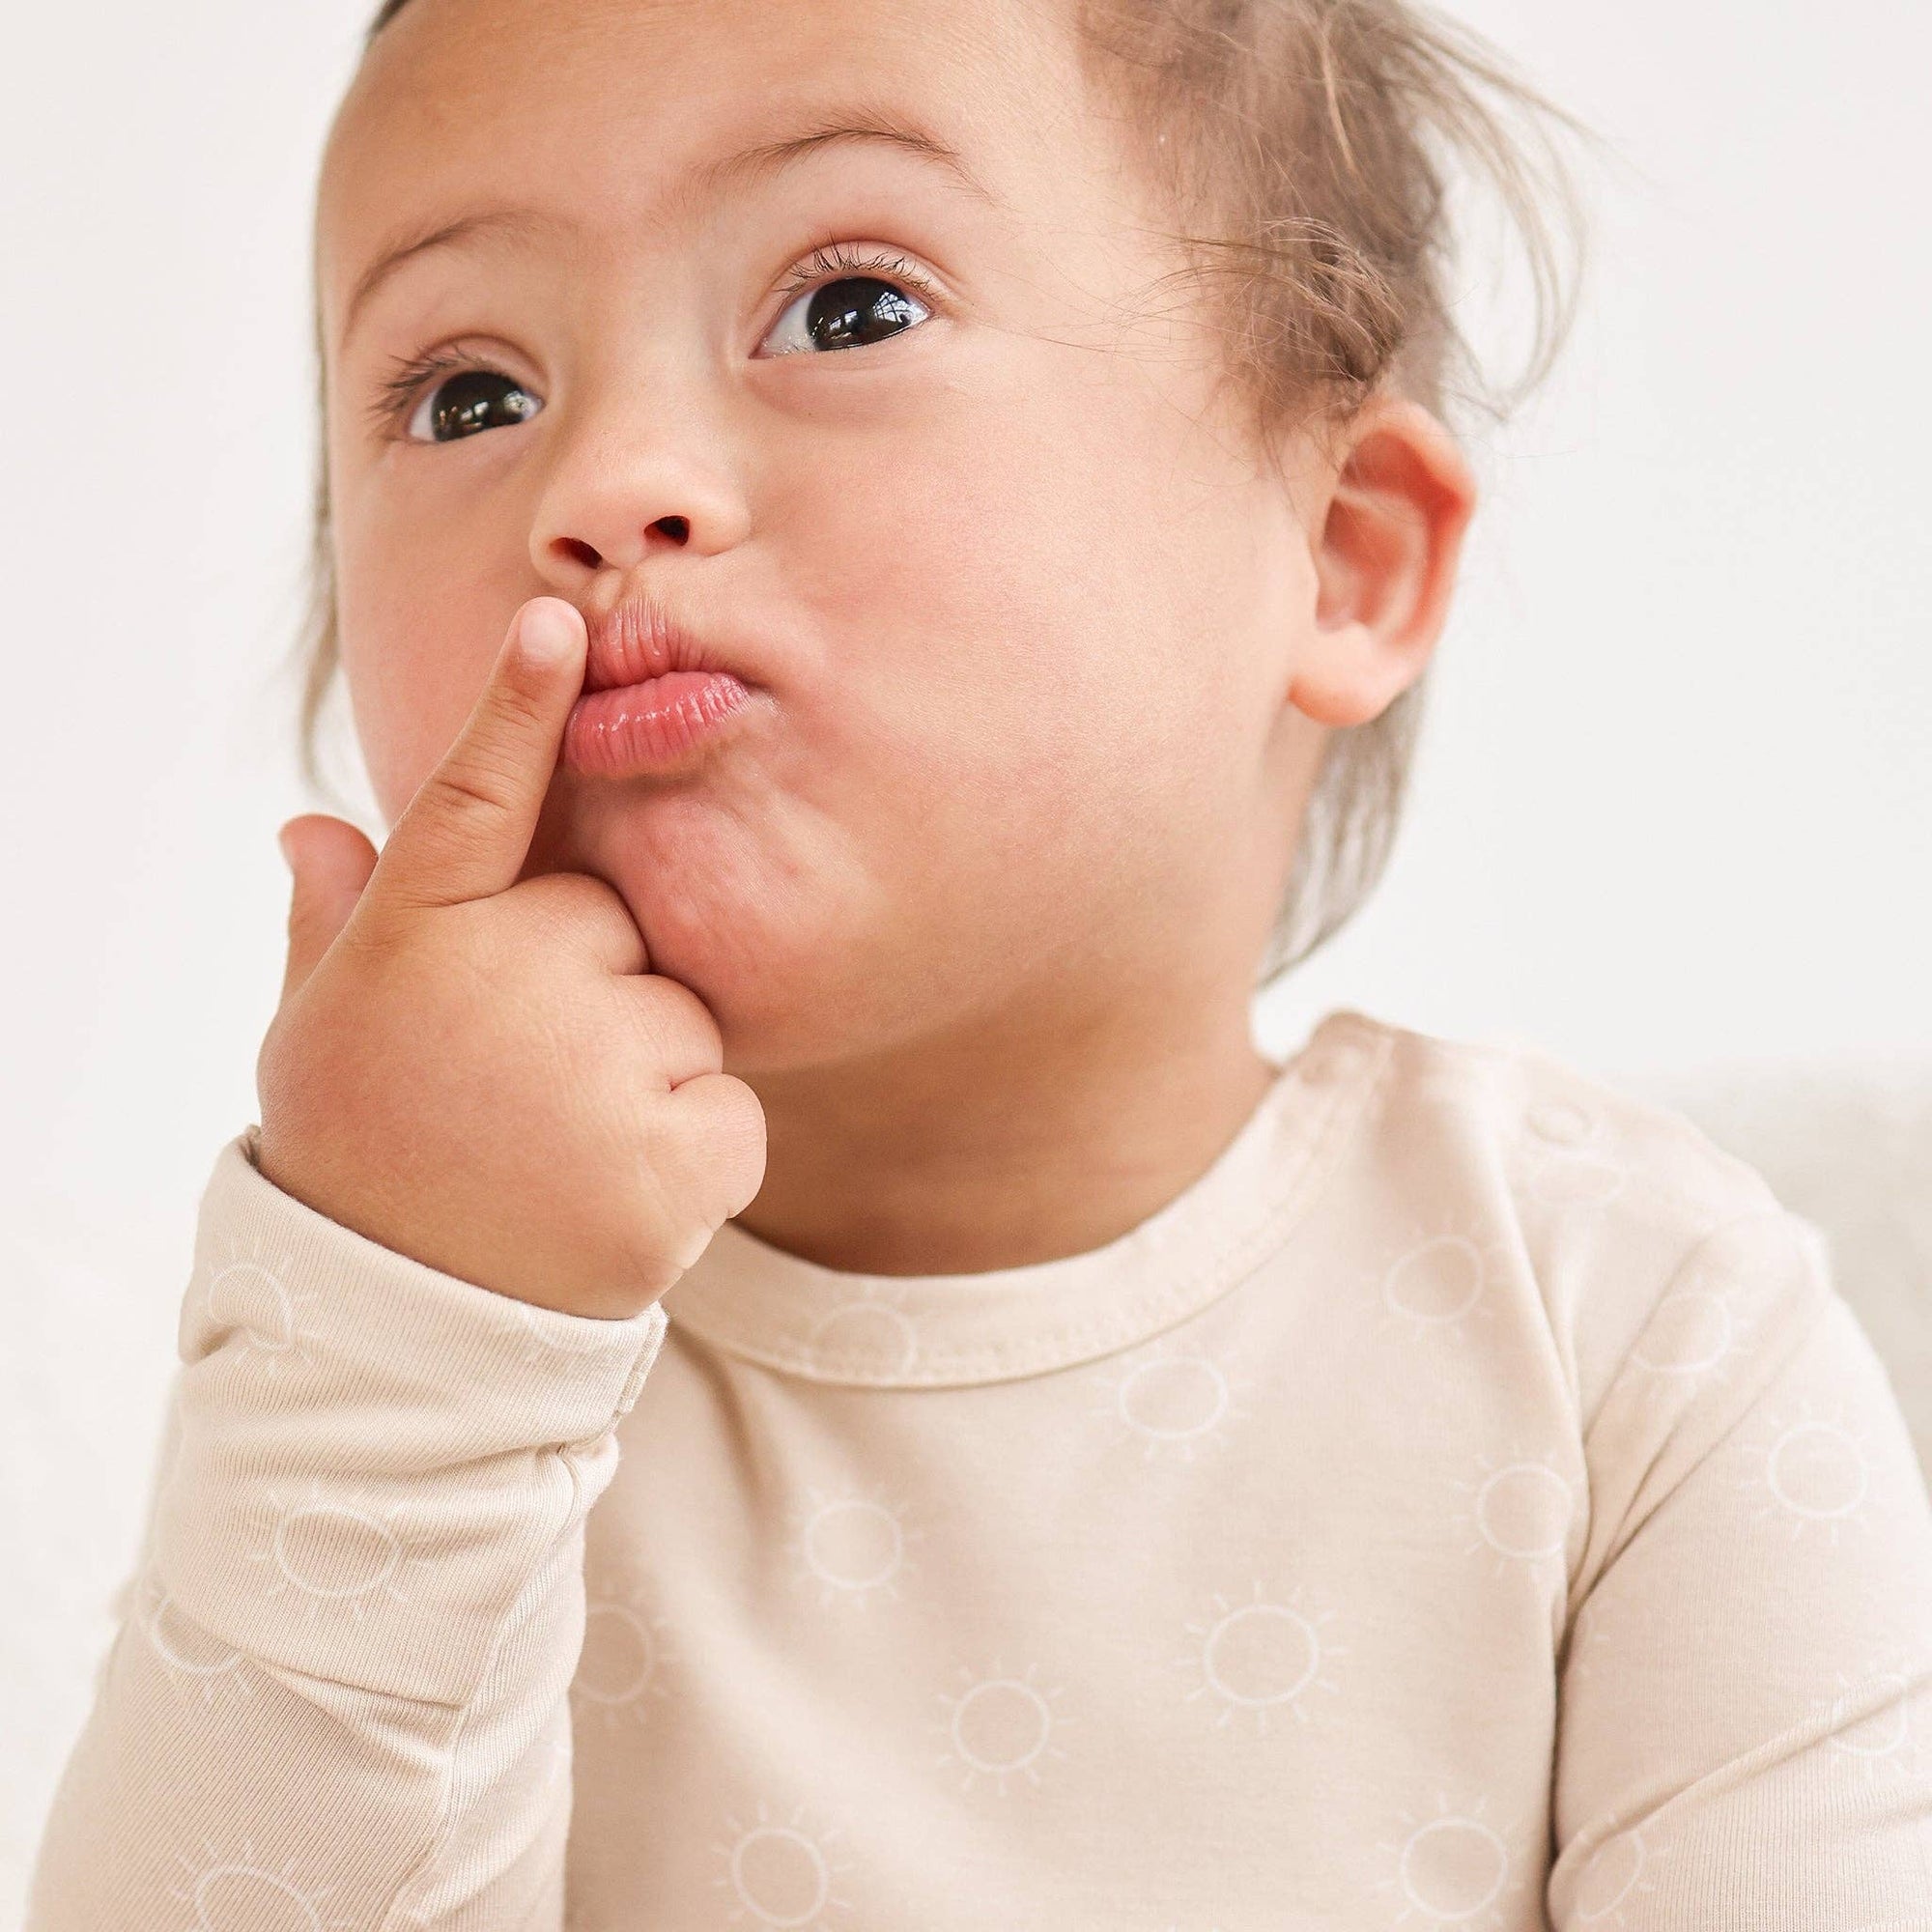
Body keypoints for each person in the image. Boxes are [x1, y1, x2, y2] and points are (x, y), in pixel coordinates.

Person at [27, 0, 1932, 1924]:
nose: (601, 479)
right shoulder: (404, 1364)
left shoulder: (1627, 1338)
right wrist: (406, 1325)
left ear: (1337, 554)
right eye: (469, 394)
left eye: (847, 308)